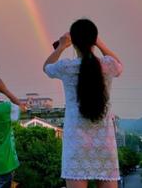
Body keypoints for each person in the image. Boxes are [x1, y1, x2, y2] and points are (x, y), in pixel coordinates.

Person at [43, 19, 123, 188]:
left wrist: (61, 46)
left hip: (76, 144)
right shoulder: (107, 65)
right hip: (104, 143)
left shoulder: (66, 67)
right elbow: (119, 66)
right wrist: (100, 43)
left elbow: (47, 67)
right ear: (93, 40)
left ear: (74, 43)